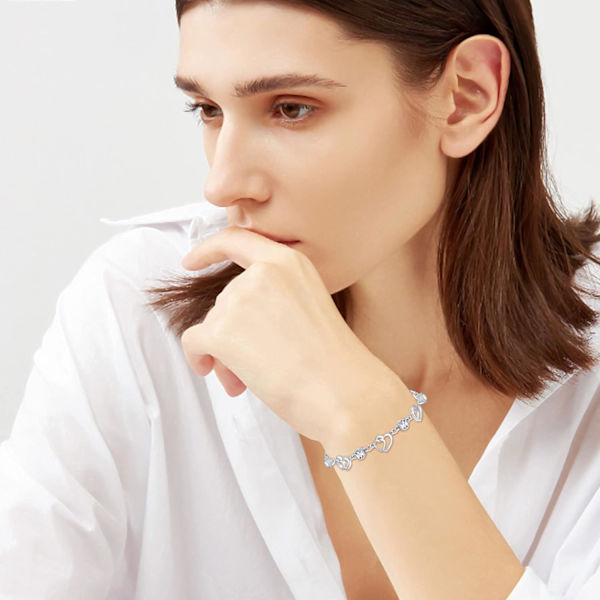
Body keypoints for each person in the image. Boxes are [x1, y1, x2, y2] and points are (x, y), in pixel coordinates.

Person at [1, 0, 600, 598]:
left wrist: (360, 411)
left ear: (466, 96)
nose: (222, 184)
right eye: (208, 109)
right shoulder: (136, 309)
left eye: (292, 108)